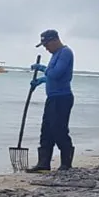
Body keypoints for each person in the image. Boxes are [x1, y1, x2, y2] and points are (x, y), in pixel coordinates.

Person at [25, 29, 75, 172]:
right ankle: (44, 163)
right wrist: (42, 81)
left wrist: (42, 69)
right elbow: (53, 76)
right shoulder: (55, 54)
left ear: (55, 40)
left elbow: (56, 73)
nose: (46, 48)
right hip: (52, 98)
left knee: (59, 129)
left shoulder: (65, 53)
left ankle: (66, 163)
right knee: (46, 130)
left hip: (62, 98)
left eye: (47, 44)